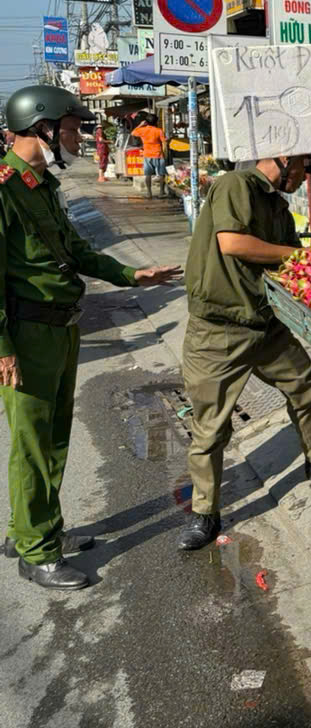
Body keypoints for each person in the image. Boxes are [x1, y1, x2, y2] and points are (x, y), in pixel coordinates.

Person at [1, 85, 181, 590]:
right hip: (26, 331)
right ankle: (36, 552)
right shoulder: (3, 190)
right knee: (34, 444)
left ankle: (34, 528)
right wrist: (3, 348)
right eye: (73, 127)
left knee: (52, 437)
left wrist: (131, 276)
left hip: (60, 325)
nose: (81, 135)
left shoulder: (42, 188)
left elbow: (76, 252)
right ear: (43, 129)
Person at [177, 155, 311, 551]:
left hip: (265, 326)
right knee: (211, 429)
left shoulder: (279, 207)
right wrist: (298, 256)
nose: (304, 180)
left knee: (307, 390)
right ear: (283, 160)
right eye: (302, 170)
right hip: (219, 332)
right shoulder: (236, 185)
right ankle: (205, 513)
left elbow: (293, 264)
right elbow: (233, 243)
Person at [130, 113, 167, 198]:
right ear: (156, 122)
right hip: (158, 154)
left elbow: (132, 133)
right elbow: (164, 142)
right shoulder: (159, 130)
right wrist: (164, 153)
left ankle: (149, 193)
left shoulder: (143, 130)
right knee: (162, 174)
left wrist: (140, 124)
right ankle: (161, 192)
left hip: (147, 154)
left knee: (148, 175)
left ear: (146, 122)